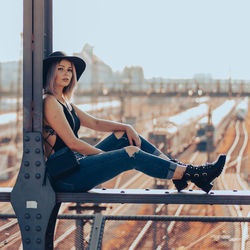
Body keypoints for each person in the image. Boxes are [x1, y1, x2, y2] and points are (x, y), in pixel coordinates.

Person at [43, 51, 226, 193]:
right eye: (60, 69)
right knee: (130, 154)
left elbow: (96, 123)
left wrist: (125, 127)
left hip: (76, 166)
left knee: (125, 137)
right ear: (52, 72)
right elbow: (73, 144)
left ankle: (179, 171)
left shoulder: (65, 103)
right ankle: (192, 174)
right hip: (65, 176)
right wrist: (108, 157)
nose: (66, 73)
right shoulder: (50, 102)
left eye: (69, 69)